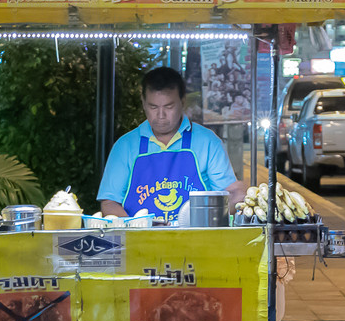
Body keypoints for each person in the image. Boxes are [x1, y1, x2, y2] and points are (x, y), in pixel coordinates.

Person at [97, 67, 246, 221]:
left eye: (169, 107)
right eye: (153, 107)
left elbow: (226, 198)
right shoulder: (125, 146)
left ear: (183, 102)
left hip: (196, 241)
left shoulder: (208, 142)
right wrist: (138, 229)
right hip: (139, 242)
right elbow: (109, 203)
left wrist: (236, 199)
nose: (160, 116)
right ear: (143, 102)